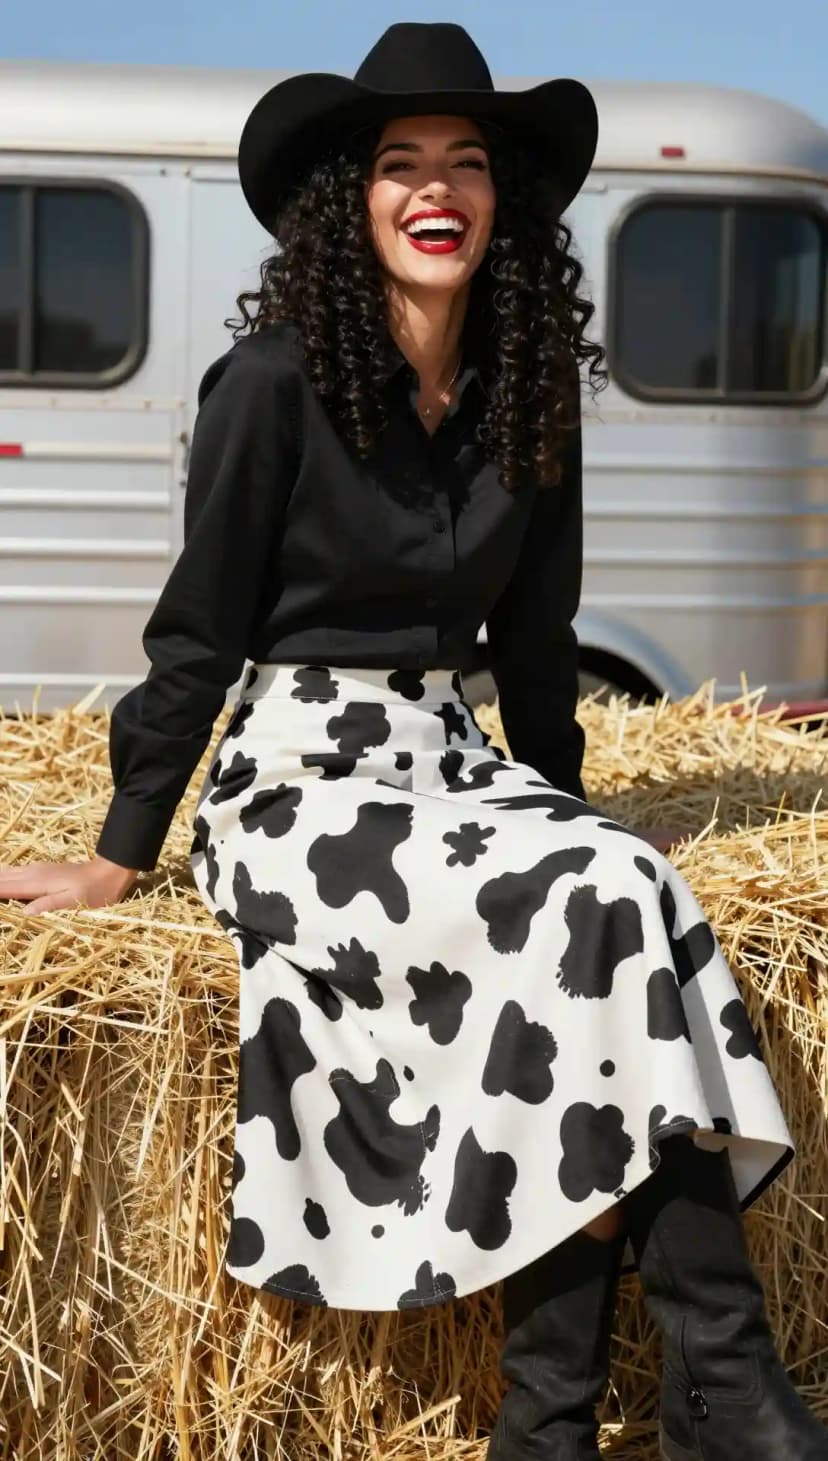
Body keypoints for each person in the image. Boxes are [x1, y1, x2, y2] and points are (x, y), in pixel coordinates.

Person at [0, 22, 824, 1461]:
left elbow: (540, 644)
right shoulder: (268, 384)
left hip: (452, 764)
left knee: (613, 894)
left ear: (502, 201)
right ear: (354, 202)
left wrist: (568, 811)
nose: (435, 187)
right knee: (595, 909)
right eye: (401, 165)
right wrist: (120, 852)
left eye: (466, 163)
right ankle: (701, 1384)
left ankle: (577, 1411)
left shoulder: (532, 392)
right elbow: (194, 633)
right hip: (299, 780)